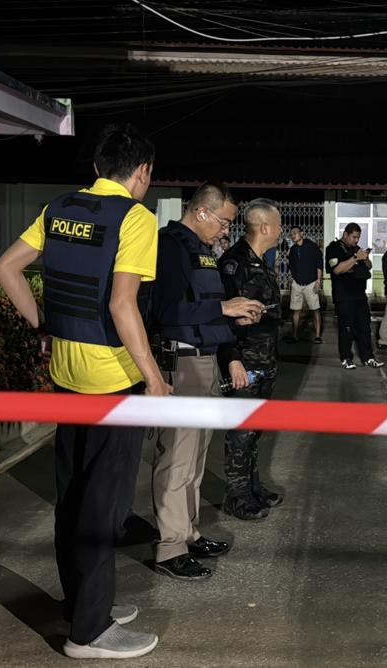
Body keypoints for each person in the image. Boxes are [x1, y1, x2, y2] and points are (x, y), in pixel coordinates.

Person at [0, 124, 164, 659]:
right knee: (103, 508)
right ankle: (89, 632)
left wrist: (42, 324)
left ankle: (81, 604)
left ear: (96, 168)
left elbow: (5, 268)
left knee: (73, 498)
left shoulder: (59, 208)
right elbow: (121, 304)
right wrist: (154, 378)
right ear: (142, 172)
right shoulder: (136, 218)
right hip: (112, 380)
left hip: (65, 375)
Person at [147, 182, 264, 581]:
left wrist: (232, 317)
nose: (226, 230)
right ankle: (169, 548)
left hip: (205, 360)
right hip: (181, 362)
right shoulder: (170, 247)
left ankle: (188, 533)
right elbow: (167, 309)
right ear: (201, 212)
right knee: (176, 458)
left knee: (195, 459)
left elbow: (203, 308)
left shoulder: (200, 250)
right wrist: (222, 307)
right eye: (224, 221)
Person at [218, 199, 286, 520]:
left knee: (255, 429)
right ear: (265, 227)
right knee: (241, 431)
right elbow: (223, 316)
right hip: (244, 363)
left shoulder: (262, 261)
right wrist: (232, 359)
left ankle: (253, 487)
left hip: (265, 359)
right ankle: (237, 495)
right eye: (279, 224)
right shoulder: (235, 264)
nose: (281, 230)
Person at [326, 222, 384, 370]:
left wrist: (365, 258)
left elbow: (369, 266)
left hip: (359, 295)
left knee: (365, 328)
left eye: (358, 237)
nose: (356, 240)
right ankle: (346, 358)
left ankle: (368, 357)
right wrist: (355, 258)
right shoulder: (333, 248)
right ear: (346, 234)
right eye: (354, 237)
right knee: (347, 328)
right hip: (344, 296)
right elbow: (337, 270)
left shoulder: (356, 249)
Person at [285, 224, 324, 344]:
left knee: (315, 309)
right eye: (291, 234)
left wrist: (318, 281)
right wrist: (291, 278)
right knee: (296, 310)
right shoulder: (293, 250)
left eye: (295, 233)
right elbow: (290, 265)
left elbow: (319, 264)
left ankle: (317, 336)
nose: (293, 236)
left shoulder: (312, 247)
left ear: (302, 233)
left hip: (311, 283)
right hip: (297, 284)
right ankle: (295, 335)